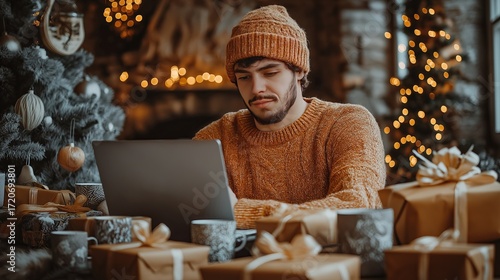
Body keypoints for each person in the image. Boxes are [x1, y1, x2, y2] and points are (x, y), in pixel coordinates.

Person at [193, 5, 386, 229]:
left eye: (270, 73)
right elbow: (184, 214)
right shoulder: (215, 137)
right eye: (244, 77)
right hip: (240, 263)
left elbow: (355, 209)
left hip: (327, 263)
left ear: (300, 71)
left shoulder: (348, 123)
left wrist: (241, 212)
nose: (256, 89)